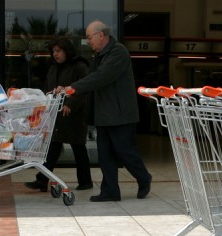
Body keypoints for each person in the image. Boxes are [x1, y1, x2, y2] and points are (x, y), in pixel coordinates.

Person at [61, 20, 152, 202]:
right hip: (104, 114)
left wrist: (73, 87)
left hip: (120, 114)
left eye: (89, 38)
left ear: (101, 35)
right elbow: (92, 78)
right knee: (105, 155)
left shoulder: (118, 52)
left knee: (126, 153)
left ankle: (144, 178)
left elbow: (101, 77)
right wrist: (67, 88)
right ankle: (110, 191)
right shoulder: (100, 55)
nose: (88, 42)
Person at [25, 37, 93, 192]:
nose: (55, 54)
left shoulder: (79, 66)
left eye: (58, 51)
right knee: (52, 148)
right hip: (56, 114)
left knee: (78, 148)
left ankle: (85, 181)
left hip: (73, 115)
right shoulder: (54, 67)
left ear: (66, 51)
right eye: (53, 51)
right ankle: (42, 180)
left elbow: (85, 89)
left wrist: (71, 104)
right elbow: (49, 87)